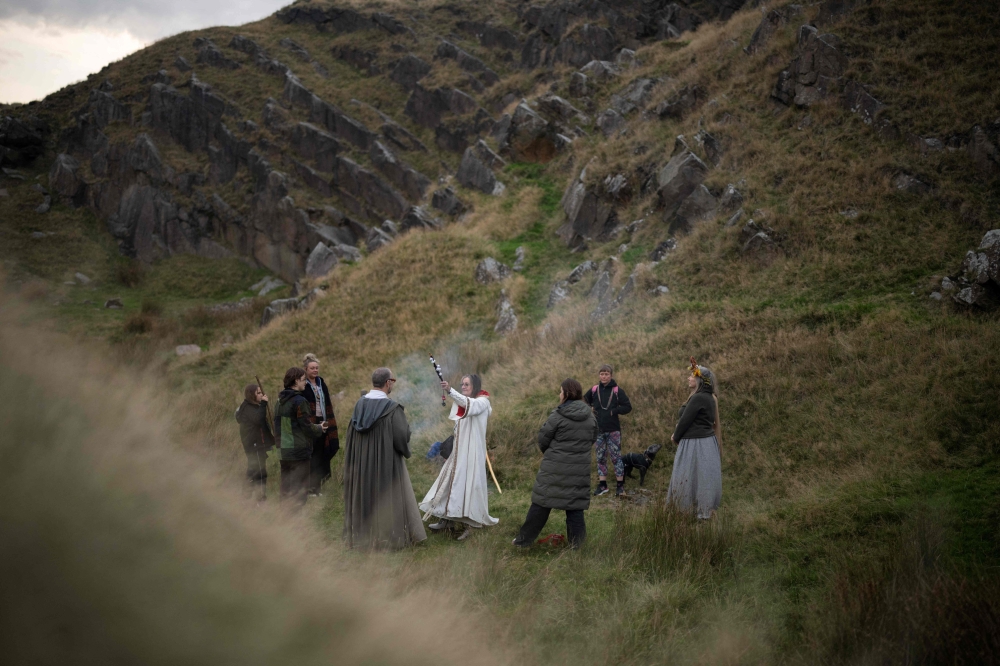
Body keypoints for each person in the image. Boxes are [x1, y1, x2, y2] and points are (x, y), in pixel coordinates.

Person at [343, 367, 427, 550]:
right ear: (388, 383)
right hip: (385, 463)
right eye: (393, 382)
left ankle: (365, 538)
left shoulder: (360, 404)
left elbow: (351, 435)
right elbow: (402, 436)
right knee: (386, 498)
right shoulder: (392, 408)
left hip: (362, 464)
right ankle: (388, 539)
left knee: (366, 497)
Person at [513, 378, 598, 549]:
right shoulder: (591, 416)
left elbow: (543, 438)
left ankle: (523, 542)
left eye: (560, 391)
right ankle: (578, 547)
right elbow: (592, 439)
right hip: (578, 472)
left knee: (541, 505)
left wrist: (553, 454)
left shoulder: (558, 415)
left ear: (566, 394)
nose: (559, 395)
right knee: (575, 509)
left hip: (553, 469)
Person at [420, 374, 498, 541]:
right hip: (459, 452)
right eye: (462, 384)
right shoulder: (464, 401)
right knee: (450, 484)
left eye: (467, 384)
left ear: (475, 386)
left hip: (473, 454)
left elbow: (470, 405)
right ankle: (447, 519)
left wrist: (450, 390)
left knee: (469, 487)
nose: (463, 386)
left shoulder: (482, 402)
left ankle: (472, 525)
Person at [666, 358, 723, 520]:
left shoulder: (699, 398)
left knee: (687, 476)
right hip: (706, 443)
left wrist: (676, 437)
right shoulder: (709, 397)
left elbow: (686, 420)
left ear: (700, 380)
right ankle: (702, 510)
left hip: (695, 444)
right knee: (702, 477)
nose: (689, 378)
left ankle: (687, 511)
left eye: (693, 376)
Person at [274, 367, 328, 507]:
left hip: (283, 452)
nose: (305, 383)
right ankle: (296, 525)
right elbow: (306, 427)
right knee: (299, 493)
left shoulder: (279, 401)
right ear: (296, 381)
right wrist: (319, 428)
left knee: (285, 491)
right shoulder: (300, 401)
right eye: (304, 380)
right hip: (298, 453)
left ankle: (282, 521)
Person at [583, 364, 633, 497]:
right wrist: (590, 409)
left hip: (613, 430)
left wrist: (614, 411)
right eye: (601, 374)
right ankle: (603, 485)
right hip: (598, 430)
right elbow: (583, 401)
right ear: (599, 375)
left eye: (606, 374)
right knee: (600, 458)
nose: (604, 376)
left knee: (616, 458)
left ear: (611, 375)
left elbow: (628, 407)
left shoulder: (617, 390)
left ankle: (620, 487)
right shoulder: (594, 390)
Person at [301, 353, 339, 497]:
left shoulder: (321, 382)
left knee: (323, 453)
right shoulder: (303, 384)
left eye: (317, 368)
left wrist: (328, 421)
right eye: (312, 368)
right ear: (305, 369)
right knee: (312, 455)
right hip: (311, 424)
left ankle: (317, 487)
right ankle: (309, 488)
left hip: (324, 422)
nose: (315, 370)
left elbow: (327, 401)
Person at [235, 383, 275, 501]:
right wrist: (263, 404)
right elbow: (258, 420)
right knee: (258, 471)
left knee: (256, 470)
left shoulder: (253, 407)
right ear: (251, 395)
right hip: (254, 446)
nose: (262, 395)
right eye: (258, 393)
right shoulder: (248, 408)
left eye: (261, 392)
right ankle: (257, 498)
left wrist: (272, 439)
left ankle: (251, 497)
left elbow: (262, 425)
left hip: (258, 445)